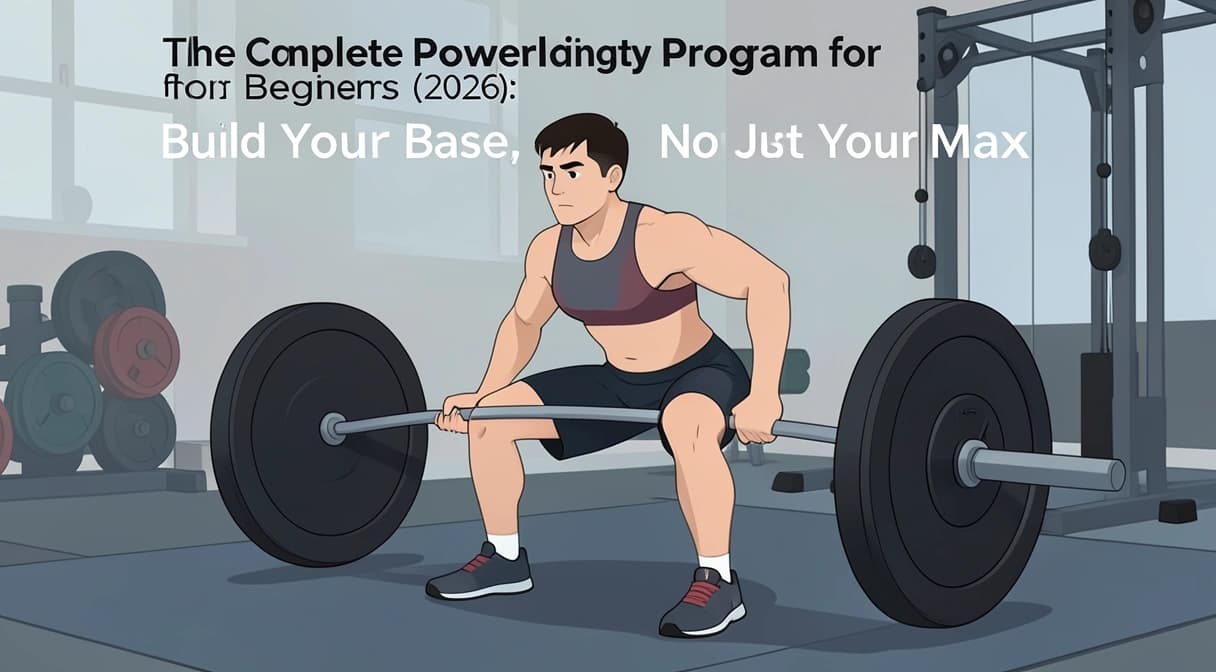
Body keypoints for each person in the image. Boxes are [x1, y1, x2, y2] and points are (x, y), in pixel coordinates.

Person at [425, 112, 790, 638]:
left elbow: (768, 282)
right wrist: (484, 393)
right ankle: (504, 559)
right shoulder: (549, 249)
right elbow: (525, 322)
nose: (556, 187)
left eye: (572, 171)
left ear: (611, 175)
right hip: (620, 380)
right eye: (548, 173)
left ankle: (718, 580)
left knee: (686, 423)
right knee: (493, 419)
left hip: (698, 373)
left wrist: (765, 394)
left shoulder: (665, 235)